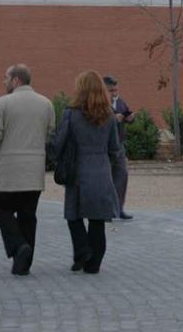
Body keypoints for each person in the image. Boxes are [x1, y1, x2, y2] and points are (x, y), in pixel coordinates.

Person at [0, 63, 56, 276]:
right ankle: (23, 264)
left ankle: (18, 246)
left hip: (9, 168)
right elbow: (50, 134)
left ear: (16, 80)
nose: (3, 81)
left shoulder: (2, 103)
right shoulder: (46, 104)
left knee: (3, 210)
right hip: (34, 170)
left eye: (6, 77)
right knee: (28, 215)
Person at [54, 70, 120, 274]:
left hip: (77, 170)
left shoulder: (71, 114)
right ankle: (94, 263)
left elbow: (59, 144)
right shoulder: (109, 115)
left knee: (73, 215)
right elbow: (114, 147)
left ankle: (82, 250)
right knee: (97, 220)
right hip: (101, 170)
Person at [103, 75, 134, 220]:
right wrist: (113, 119)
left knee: (122, 175)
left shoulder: (120, 102)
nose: (115, 93)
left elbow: (128, 114)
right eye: (111, 90)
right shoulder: (100, 104)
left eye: (116, 90)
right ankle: (106, 209)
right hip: (105, 147)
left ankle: (119, 208)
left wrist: (130, 118)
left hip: (119, 145)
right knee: (105, 178)